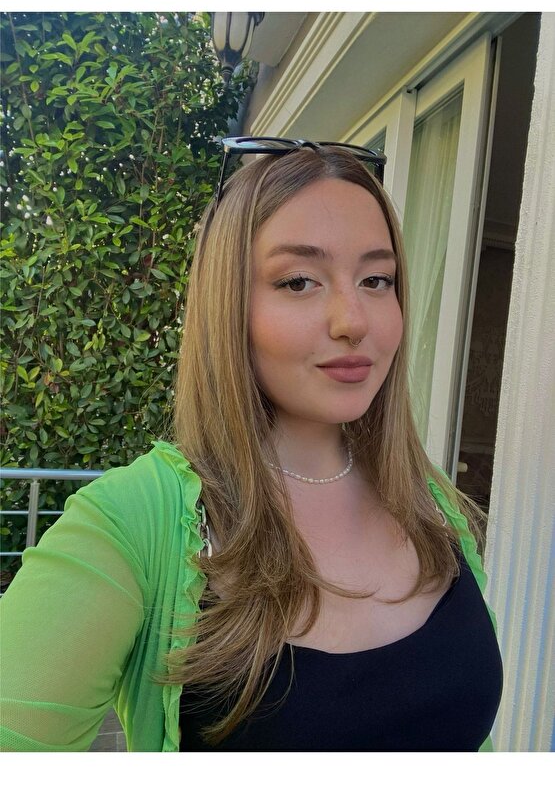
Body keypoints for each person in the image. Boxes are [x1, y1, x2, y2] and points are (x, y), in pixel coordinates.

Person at [0, 138, 503, 752]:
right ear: (228, 305)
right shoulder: (130, 524)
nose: (354, 320)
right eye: (298, 281)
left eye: (376, 279)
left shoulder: (433, 505)